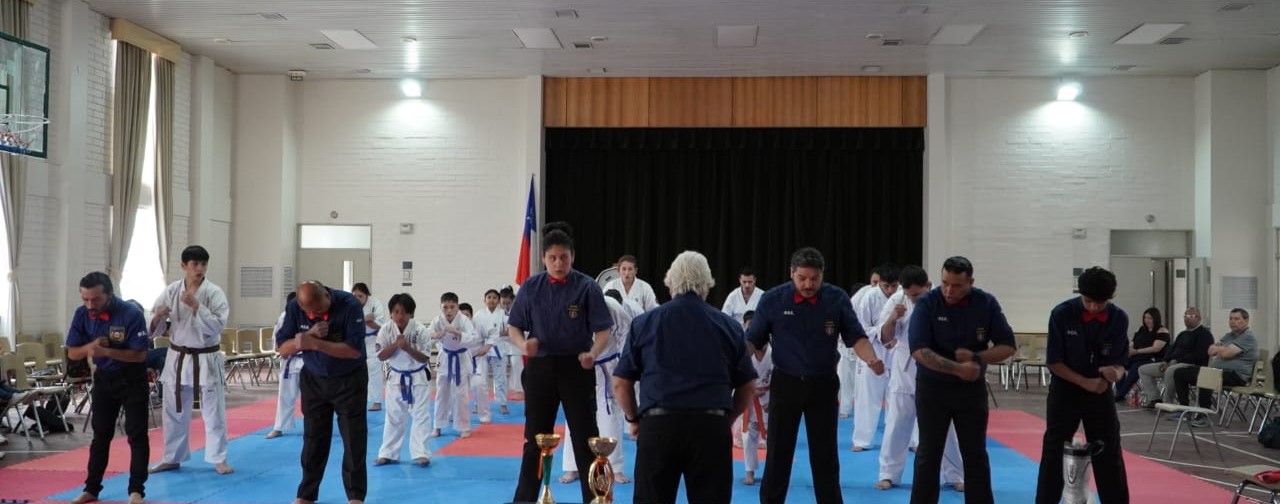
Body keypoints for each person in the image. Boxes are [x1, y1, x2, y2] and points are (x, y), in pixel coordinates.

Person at [614, 250, 757, 504]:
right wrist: (728, 418)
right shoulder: (729, 326)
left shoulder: (645, 323)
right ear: (707, 285)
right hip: (711, 425)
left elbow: (621, 383)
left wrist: (633, 419)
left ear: (670, 284)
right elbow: (748, 385)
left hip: (658, 425)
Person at [747, 247, 884, 504]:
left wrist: (871, 358)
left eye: (814, 278)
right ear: (791, 273)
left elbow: (856, 337)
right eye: (802, 278)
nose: (808, 285)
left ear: (822, 275)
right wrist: (736, 368)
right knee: (778, 453)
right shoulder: (773, 299)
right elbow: (753, 340)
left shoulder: (836, 298)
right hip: (785, 384)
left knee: (825, 455)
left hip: (823, 385)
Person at [508, 222, 613, 504]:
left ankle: (595, 499)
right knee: (535, 439)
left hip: (576, 368)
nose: (558, 263)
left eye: (564, 257)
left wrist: (593, 353)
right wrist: (522, 345)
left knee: (586, 438)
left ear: (572, 256)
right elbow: (514, 327)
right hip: (540, 368)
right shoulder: (531, 287)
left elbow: (604, 331)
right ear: (543, 258)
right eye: (552, 258)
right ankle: (525, 499)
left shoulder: (587, 287)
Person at [908, 256, 1016, 504]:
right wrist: (958, 369)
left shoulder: (985, 303)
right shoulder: (927, 303)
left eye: (956, 285)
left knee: (975, 453)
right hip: (932, 389)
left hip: (970, 390)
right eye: (945, 283)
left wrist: (977, 357)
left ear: (970, 282)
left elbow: (1008, 346)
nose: (948, 290)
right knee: (928, 453)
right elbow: (918, 350)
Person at [1034, 267, 1130, 504]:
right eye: (1088, 301)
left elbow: (1120, 362)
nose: (1094, 307)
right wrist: (1084, 382)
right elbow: (1054, 362)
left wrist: (1116, 373)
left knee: (1109, 451)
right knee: (1054, 450)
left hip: (1100, 390)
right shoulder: (1061, 314)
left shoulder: (1119, 318)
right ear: (1080, 294)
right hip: (1065, 389)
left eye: (1100, 303)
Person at [275, 281, 368, 504]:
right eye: (310, 312)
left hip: (348, 380)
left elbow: (354, 350)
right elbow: (282, 348)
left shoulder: (349, 305)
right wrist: (305, 339)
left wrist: (315, 344)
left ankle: (355, 496)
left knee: (353, 439)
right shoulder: (295, 308)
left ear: (327, 295)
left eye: (319, 309)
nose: (316, 315)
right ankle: (306, 494)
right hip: (314, 380)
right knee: (313, 439)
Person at [875, 266, 964, 492]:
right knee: (896, 424)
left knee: (945, 427)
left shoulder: (942, 300)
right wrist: (893, 317)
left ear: (928, 285)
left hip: (936, 370)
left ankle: (954, 475)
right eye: (909, 294)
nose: (913, 298)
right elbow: (885, 338)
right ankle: (888, 474)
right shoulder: (897, 300)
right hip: (905, 370)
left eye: (917, 294)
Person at [148, 245, 233, 475]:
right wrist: (158, 316)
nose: (199, 268)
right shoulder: (172, 291)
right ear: (184, 266)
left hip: (206, 357)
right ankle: (172, 457)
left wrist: (197, 306)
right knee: (173, 410)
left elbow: (218, 325)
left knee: (213, 411)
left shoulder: (214, 293)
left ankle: (218, 458)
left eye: (203, 264)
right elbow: (154, 327)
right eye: (195, 264)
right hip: (178, 357)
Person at [67, 272, 150, 504]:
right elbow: (72, 352)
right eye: (85, 299)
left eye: (95, 299)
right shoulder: (81, 314)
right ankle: (91, 489)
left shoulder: (131, 313)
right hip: (104, 379)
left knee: (137, 434)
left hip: (132, 378)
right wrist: (90, 348)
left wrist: (106, 351)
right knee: (101, 435)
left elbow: (140, 355)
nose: (90, 305)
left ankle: (136, 491)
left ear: (110, 295)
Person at [559, 288, 636, 485]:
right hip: (579, 363)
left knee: (610, 413)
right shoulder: (571, 307)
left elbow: (627, 336)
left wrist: (623, 364)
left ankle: (614, 468)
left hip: (608, 364)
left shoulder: (613, 307)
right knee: (575, 413)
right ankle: (573, 467)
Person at [374, 293, 435, 467]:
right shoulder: (386, 329)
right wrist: (396, 345)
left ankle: (421, 453)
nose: (399, 316)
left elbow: (424, 358)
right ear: (391, 313)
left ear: (411, 314)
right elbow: (380, 355)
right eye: (396, 312)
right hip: (396, 376)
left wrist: (407, 348)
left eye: (404, 312)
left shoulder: (420, 330)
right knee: (393, 416)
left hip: (418, 376)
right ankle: (388, 453)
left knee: (421, 415)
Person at [1170, 308, 1256, 427]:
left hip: (1236, 375)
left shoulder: (1247, 337)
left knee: (1207, 375)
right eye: (1231, 318)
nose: (1232, 321)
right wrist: (1223, 349)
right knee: (1180, 373)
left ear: (1246, 321)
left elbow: (1226, 354)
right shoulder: (1229, 336)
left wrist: (1221, 349)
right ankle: (1185, 409)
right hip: (1219, 372)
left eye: (1236, 319)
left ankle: (1204, 415)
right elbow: (1210, 350)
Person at [851, 263, 901, 451]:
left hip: (896, 350)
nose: (890, 290)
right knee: (867, 397)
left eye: (894, 286)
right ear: (879, 283)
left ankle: (903, 439)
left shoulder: (903, 296)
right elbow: (861, 328)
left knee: (898, 397)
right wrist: (883, 333)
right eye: (886, 286)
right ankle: (862, 440)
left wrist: (896, 338)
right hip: (873, 350)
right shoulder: (869, 297)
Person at [1135, 308, 1213, 409]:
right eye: (1185, 316)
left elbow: (1199, 355)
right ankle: (1155, 399)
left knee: (1170, 371)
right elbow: (1171, 349)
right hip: (1172, 362)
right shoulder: (1182, 334)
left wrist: (1177, 361)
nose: (1187, 319)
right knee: (1143, 369)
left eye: (1191, 316)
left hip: (1191, 365)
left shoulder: (1205, 334)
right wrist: (1165, 361)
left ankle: (1168, 402)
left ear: (1199, 318)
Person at [429, 292, 479, 438]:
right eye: (445, 307)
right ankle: (438, 425)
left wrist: (457, 333)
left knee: (461, 394)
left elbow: (474, 339)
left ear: (457, 307)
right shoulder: (437, 320)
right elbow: (426, 336)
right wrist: (435, 336)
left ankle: (464, 426)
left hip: (461, 358)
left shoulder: (464, 320)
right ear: (441, 307)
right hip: (445, 357)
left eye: (452, 307)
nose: (449, 310)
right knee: (441, 393)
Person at [740, 310, 773, 486]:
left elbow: (782, 379)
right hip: (750, 400)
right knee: (748, 437)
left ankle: (772, 472)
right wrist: (750, 391)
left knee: (773, 438)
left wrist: (773, 399)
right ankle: (749, 472)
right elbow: (737, 377)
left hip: (769, 398)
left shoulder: (775, 353)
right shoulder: (745, 353)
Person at [1112, 307, 1170, 402]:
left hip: (1152, 358)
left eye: (1150, 318)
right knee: (1118, 363)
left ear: (1155, 318)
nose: (1147, 320)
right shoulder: (1142, 329)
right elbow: (1133, 342)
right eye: (1145, 318)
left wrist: (1137, 351)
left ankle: (1121, 393)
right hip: (1137, 355)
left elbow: (1156, 348)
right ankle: (1120, 390)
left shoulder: (1162, 331)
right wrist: (1128, 351)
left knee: (1135, 367)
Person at [266, 292, 302, 439]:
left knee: (313, 398)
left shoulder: (310, 316)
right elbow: (277, 345)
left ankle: (317, 426)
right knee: (285, 396)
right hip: (290, 361)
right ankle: (279, 427)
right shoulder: (283, 317)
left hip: (308, 361)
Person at [472, 289, 510, 418]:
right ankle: (478, 403)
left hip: (499, 349)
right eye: (489, 297)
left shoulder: (503, 314)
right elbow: (474, 332)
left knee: (500, 378)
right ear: (484, 300)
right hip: (483, 350)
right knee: (480, 378)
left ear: (498, 301)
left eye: (494, 297)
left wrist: (495, 334)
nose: (492, 300)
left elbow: (509, 330)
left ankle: (502, 403)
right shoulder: (479, 315)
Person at [353, 283, 388, 412]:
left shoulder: (375, 304)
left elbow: (380, 326)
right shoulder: (351, 305)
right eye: (355, 296)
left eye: (360, 296)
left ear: (367, 295)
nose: (357, 299)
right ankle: (357, 400)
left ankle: (377, 402)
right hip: (358, 342)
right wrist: (365, 319)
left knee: (374, 372)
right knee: (356, 373)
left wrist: (369, 322)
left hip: (374, 341)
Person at [499, 286, 524, 399]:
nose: (505, 305)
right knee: (500, 366)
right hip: (502, 344)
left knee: (516, 364)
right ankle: (501, 391)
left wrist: (509, 332)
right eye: (503, 302)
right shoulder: (498, 312)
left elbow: (523, 328)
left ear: (513, 299)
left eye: (508, 302)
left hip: (515, 343)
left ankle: (520, 390)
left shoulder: (519, 310)